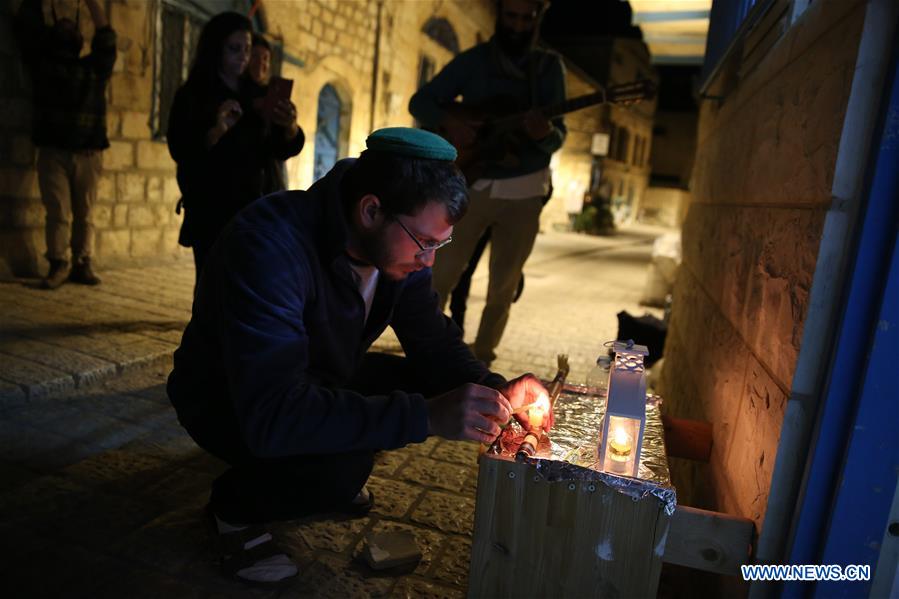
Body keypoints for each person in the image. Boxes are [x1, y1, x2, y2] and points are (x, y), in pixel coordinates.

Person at [167, 127, 551, 585]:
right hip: (231, 402)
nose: (428, 261)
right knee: (343, 468)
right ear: (371, 210)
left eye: (439, 245)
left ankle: (316, 474)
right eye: (424, 242)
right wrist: (425, 417)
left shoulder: (393, 244)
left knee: (424, 387)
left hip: (314, 378)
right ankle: (234, 509)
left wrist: (494, 391)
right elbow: (274, 413)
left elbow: (431, 340)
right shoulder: (268, 245)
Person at [409, 0, 566, 366]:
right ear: (500, 16)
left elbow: (560, 136)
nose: (518, 26)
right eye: (511, 17)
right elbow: (422, 101)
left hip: (526, 192)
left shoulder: (548, 67)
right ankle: (425, 352)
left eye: (526, 19)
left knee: (503, 288)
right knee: (440, 275)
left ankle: (482, 362)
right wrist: (454, 121)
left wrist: (544, 135)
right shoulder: (476, 61)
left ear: (536, 20)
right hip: (473, 184)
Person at [166, 12, 304, 282]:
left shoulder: (257, 94)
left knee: (249, 283)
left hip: (254, 207)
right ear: (216, 48)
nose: (243, 56)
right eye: (234, 48)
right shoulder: (193, 95)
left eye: (248, 49)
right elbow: (180, 149)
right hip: (211, 208)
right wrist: (215, 132)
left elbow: (280, 149)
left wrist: (289, 126)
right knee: (211, 282)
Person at [14, 0, 117, 289]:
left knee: (85, 214)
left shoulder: (93, 69)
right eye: (63, 24)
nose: (67, 28)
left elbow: (107, 37)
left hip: (87, 152)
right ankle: (59, 263)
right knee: (58, 212)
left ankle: (82, 263)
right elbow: (28, 21)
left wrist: (92, 3)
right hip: (53, 151)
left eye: (71, 26)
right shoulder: (42, 64)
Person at [246, 32, 289, 194]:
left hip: (270, 179)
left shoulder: (272, 93)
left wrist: (290, 125)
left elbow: (282, 146)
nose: (260, 63)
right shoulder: (236, 93)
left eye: (265, 58)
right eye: (255, 56)